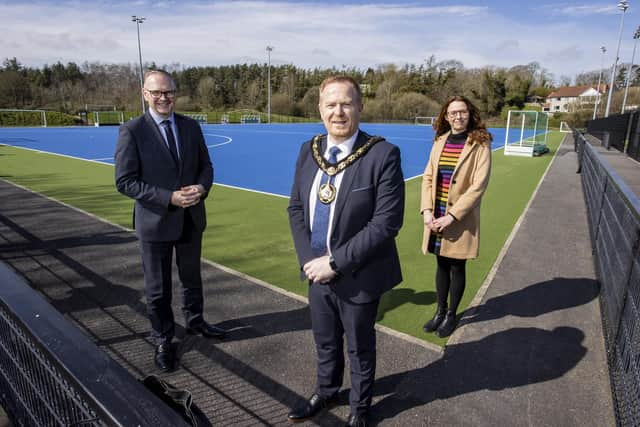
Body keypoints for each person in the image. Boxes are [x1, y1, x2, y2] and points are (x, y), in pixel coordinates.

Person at [287, 76, 405, 427]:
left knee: (359, 348)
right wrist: (310, 261)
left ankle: (360, 408)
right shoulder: (308, 151)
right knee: (325, 341)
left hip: (358, 273)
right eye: (330, 104)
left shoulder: (383, 154)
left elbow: (386, 224)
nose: (338, 112)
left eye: (346, 103)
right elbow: (295, 209)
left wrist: (334, 262)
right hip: (316, 273)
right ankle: (326, 391)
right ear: (320, 109)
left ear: (359, 107)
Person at [115, 69, 226, 373]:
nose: (164, 98)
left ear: (176, 93)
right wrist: (169, 197)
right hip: (155, 222)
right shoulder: (132, 130)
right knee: (158, 288)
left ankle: (195, 321)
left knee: (192, 278)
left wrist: (202, 188)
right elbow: (125, 182)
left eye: (169, 92)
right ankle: (163, 338)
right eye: (158, 92)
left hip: (191, 218)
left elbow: (206, 166)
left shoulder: (191, 127)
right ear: (145, 94)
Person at [420, 95, 492, 338]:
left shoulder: (480, 144)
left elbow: (478, 187)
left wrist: (452, 216)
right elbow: (428, 177)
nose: (458, 116)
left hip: (458, 218)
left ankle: (451, 314)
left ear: (469, 114)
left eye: (462, 112)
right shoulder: (440, 141)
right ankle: (439, 312)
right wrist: (427, 211)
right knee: (440, 263)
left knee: (456, 266)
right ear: (446, 116)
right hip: (436, 213)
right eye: (453, 113)